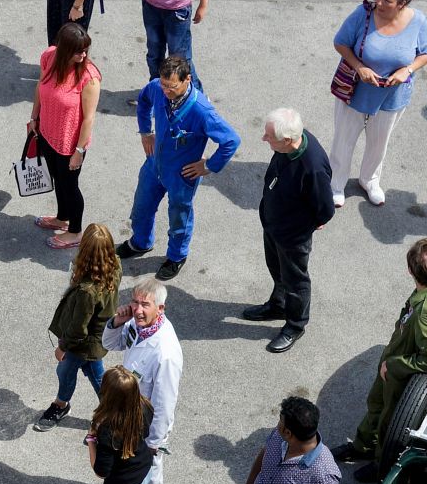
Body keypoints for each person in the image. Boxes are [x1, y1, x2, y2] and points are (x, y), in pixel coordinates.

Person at [330, 239, 427, 482]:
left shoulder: (426, 312)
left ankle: (380, 463)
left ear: (410, 271)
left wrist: (394, 365)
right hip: (397, 357)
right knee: (376, 404)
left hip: (401, 373)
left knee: (389, 420)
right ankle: (362, 446)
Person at [122, 55, 239, 281]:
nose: (166, 91)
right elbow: (144, 101)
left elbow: (231, 141)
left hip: (182, 175)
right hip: (154, 165)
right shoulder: (157, 88)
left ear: (187, 80)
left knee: (179, 218)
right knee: (141, 207)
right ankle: (141, 242)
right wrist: (145, 132)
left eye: (172, 87)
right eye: (164, 85)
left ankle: (176, 256)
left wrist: (209, 165)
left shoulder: (202, 111)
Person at [330, 0, 427, 207]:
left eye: (387, 1)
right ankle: (335, 183)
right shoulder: (363, 14)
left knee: (379, 144)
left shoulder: (418, 21)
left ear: (402, 4)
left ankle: (370, 180)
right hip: (356, 91)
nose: (379, 3)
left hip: (392, 96)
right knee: (343, 140)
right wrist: (360, 67)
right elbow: (340, 42)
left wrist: (407, 70)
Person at [241, 107, 335, 353]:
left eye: (269, 136)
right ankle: (278, 305)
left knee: (295, 281)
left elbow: (325, 208)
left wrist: (308, 224)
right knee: (276, 269)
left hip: (293, 236)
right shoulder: (290, 143)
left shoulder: (312, 167)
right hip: (273, 224)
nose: (263, 138)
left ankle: (295, 325)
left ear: (286, 140)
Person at [100, 280, 182, 484]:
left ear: (160, 308)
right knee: (151, 466)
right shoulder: (139, 325)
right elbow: (110, 344)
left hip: (146, 421)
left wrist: (155, 440)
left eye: (145, 304)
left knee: (148, 464)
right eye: (135, 302)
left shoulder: (165, 353)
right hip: (132, 411)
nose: (137, 310)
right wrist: (117, 322)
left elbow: (165, 401)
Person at [35, 225, 120, 430]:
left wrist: (62, 347)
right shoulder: (115, 265)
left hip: (82, 344)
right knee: (96, 373)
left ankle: (62, 405)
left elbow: (78, 328)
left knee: (66, 371)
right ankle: (114, 413)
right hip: (98, 337)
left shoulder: (87, 291)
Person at [26, 22, 102, 248]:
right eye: (78, 51)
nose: (83, 55)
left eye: (85, 50)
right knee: (57, 179)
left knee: (70, 186)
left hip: (70, 144)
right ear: (64, 49)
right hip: (47, 134)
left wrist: (79, 151)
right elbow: (40, 86)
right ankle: (62, 218)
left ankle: (75, 231)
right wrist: (34, 118)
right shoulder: (49, 57)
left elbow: (89, 118)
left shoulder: (89, 77)